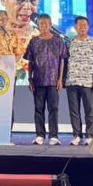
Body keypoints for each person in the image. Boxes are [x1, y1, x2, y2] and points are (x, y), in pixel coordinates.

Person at [25, 13, 67, 145]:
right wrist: (30, 79)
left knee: (53, 108)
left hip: (53, 81)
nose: (43, 26)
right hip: (38, 81)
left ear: (50, 25)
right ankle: (40, 135)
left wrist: (60, 79)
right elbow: (30, 61)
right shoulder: (34, 41)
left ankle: (54, 136)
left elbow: (62, 61)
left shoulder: (58, 41)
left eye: (45, 23)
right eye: (40, 24)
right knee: (39, 108)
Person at [65, 16, 93, 145]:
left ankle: (90, 135)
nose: (82, 28)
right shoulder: (70, 43)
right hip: (72, 81)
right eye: (80, 25)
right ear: (75, 27)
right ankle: (77, 135)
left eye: (85, 25)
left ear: (88, 27)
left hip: (88, 81)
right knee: (74, 110)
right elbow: (64, 61)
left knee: (89, 110)